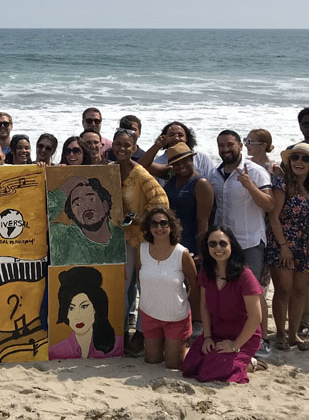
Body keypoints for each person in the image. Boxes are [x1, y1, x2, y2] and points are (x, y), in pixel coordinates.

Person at [211, 129, 273, 357]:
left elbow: (269, 204)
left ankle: (263, 340)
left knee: (253, 294)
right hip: (223, 245)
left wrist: (250, 186)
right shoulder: (215, 174)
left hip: (249, 242)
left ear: (240, 145)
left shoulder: (255, 172)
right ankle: (238, 337)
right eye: (221, 146)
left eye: (230, 145)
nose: (226, 149)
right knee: (227, 293)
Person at [181, 226, 263, 383]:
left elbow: (255, 317)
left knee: (211, 371)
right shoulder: (207, 272)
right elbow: (204, 306)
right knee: (189, 366)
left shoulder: (245, 275)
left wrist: (234, 345)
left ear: (231, 245)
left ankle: (250, 362)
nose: (218, 248)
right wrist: (207, 337)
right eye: (212, 244)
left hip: (242, 337)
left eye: (223, 243)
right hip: (217, 332)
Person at [112, 127, 169, 348]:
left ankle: (143, 333)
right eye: (118, 144)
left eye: (127, 145)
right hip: (120, 239)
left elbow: (162, 203)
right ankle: (122, 331)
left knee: (145, 287)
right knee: (123, 286)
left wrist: (139, 219)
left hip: (143, 240)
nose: (122, 149)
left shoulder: (140, 174)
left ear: (134, 148)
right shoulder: (110, 170)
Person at [266, 142, 309, 351]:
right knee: (283, 290)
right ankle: (280, 334)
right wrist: (283, 246)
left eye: (305, 159)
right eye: (295, 157)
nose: (299, 162)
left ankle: (293, 334)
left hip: (306, 245)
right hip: (283, 243)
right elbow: (274, 216)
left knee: (300, 291)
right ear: (289, 161)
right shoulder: (281, 185)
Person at [137, 207, 196, 369]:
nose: (159, 228)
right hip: (150, 313)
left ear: (171, 226)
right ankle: (170, 345)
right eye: (154, 224)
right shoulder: (141, 250)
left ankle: (191, 347)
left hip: (176, 317)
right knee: (152, 360)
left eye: (164, 223)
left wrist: (183, 305)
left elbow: (194, 284)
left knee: (173, 364)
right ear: (148, 228)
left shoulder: (182, 254)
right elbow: (138, 278)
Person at [49, 265, 123, 359]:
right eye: (71, 308)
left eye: (84, 306)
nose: (78, 316)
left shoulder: (118, 345)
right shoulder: (56, 351)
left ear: (96, 308)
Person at [48, 177, 126, 265]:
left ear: (105, 205)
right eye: (78, 204)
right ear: (73, 214)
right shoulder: (61, 236)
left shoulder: (120, 236)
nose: (86, 206)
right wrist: (59, 195)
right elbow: (35, 222)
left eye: (91, 199)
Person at [161, 143, 215, 256]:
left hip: (191, 242)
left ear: (192, 159)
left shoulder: (201, 184)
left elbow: (203, 221)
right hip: (172, 240)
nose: (180, 166)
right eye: (175, 164)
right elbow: (144, 165)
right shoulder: (172, 179)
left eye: (184, 161)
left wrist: (202, 252)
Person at [140, 121, 219, 182]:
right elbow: (141, 168)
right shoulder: (159, 161)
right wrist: (156, 146)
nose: (176, 138)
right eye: (171, 135)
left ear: (187, 138)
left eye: (180, 135)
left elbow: (212, 182)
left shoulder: (202, 158)